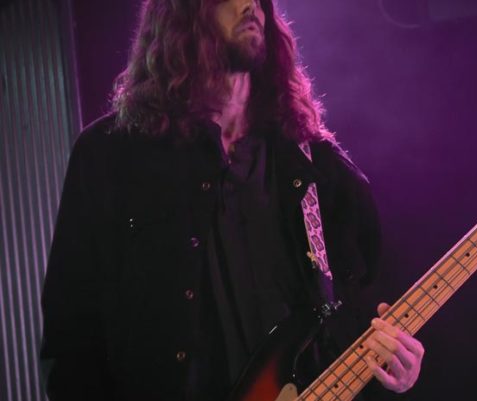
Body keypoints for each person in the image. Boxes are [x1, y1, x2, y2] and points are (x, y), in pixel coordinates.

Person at [39, 0, 424, 400]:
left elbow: (367, 308)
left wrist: (396, 364)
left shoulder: (314, 164)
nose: (249, 6)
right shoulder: (111, 156)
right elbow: (71, 338)